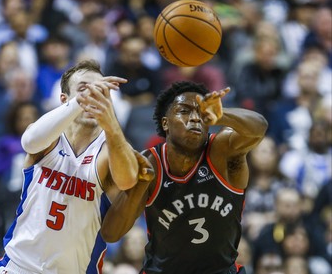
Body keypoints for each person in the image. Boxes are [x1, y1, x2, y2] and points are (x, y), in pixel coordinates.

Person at [101, 81, 268, 274]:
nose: (196, 118)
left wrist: (223, 115)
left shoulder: (223, 150)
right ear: (165, 123)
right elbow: (111, 234)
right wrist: (139, 187)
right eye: (185, 111)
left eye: (200, 112)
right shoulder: (151, 163)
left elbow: (259, 127)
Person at [0, 59, 141, 274]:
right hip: (19, 266)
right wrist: (80, 101)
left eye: (100, 92)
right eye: (84, 90)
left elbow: (127, 180)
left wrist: (112, 124)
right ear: (65, 100)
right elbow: (29, 142)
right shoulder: (49, 137)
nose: (92, 97)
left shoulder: (111, 149)